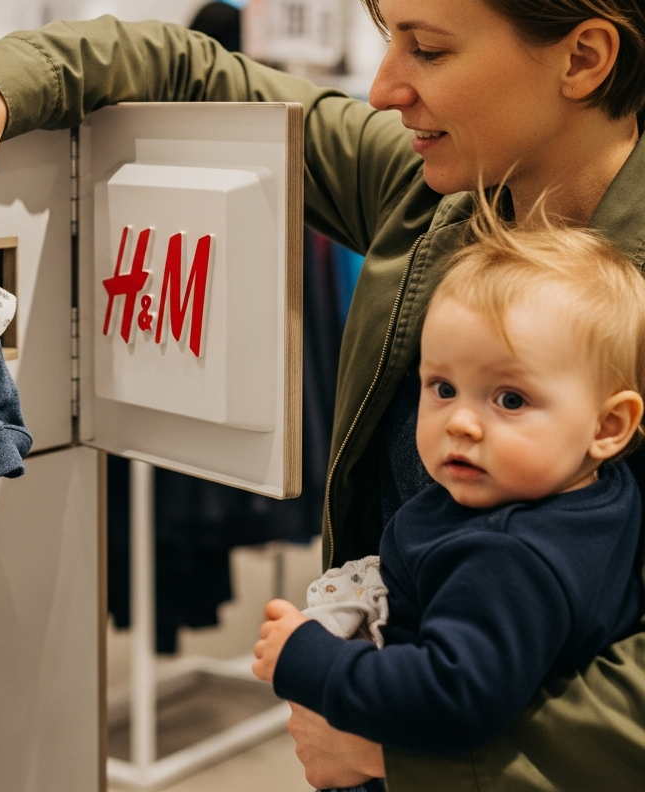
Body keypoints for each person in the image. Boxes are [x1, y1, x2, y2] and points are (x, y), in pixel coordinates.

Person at [0, 0, 645, 790]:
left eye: (429, 48)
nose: (384, 85)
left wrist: (411, 754)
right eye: (389, 36)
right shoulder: (431, 192)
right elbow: (190, 70)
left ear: (584, 58)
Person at [251, 207, 645, 767]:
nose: (460, 422)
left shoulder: (510, 558)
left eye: (510, 399)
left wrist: (307, 658)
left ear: (609, 427)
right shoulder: (594, 493)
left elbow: (450, 698)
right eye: (442, 387)